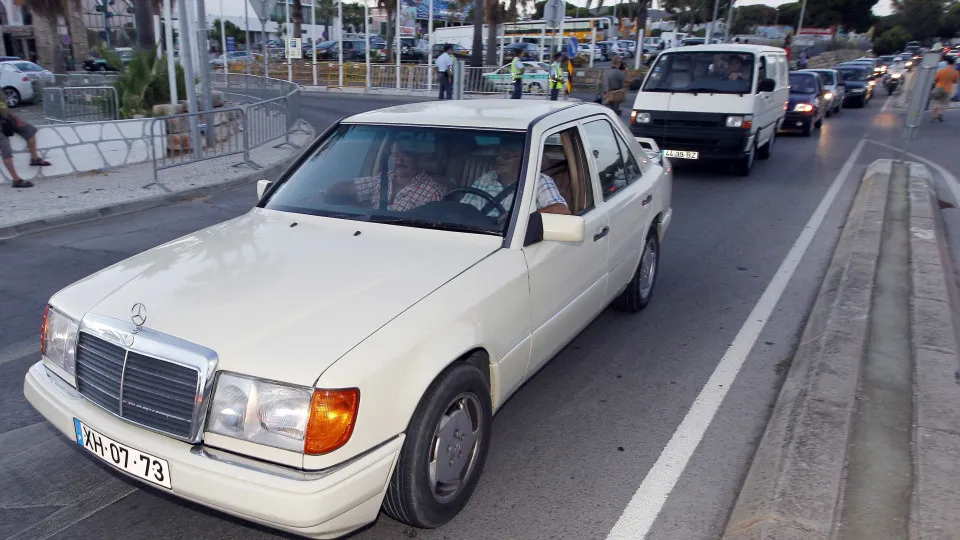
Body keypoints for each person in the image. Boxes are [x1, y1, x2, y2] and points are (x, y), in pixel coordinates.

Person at [327, 143, 445, 211]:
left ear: (418, 161)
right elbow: (346, 187)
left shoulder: (432, 191)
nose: (399, 161)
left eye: (406, 156)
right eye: (395, 156)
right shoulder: (384, 178)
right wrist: (325, 195)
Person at [460, 144, 570, 216]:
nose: (499, 159)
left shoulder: (539, 181)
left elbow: (561, 210)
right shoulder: (486, 178)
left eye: (507, 156)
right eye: (497, 155)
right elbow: (464, 208)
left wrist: (517, 217)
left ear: (523, 159)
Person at [1, 101, 51, 188]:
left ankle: (35, 159)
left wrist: (15, 118)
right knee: (6, 151)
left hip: (6, 117)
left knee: (30, 130)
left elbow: (2, 105)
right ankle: (17, 180)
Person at [931, 55, 958, 122]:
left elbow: (935, 79)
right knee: (944, 103)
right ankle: (941, 114)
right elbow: (955, 82)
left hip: (938, 88)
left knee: (935, 102)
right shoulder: (955, 72)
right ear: (953, 63)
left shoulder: (941, 71)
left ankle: (934, 116)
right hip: (948, 89)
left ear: (947, 63)